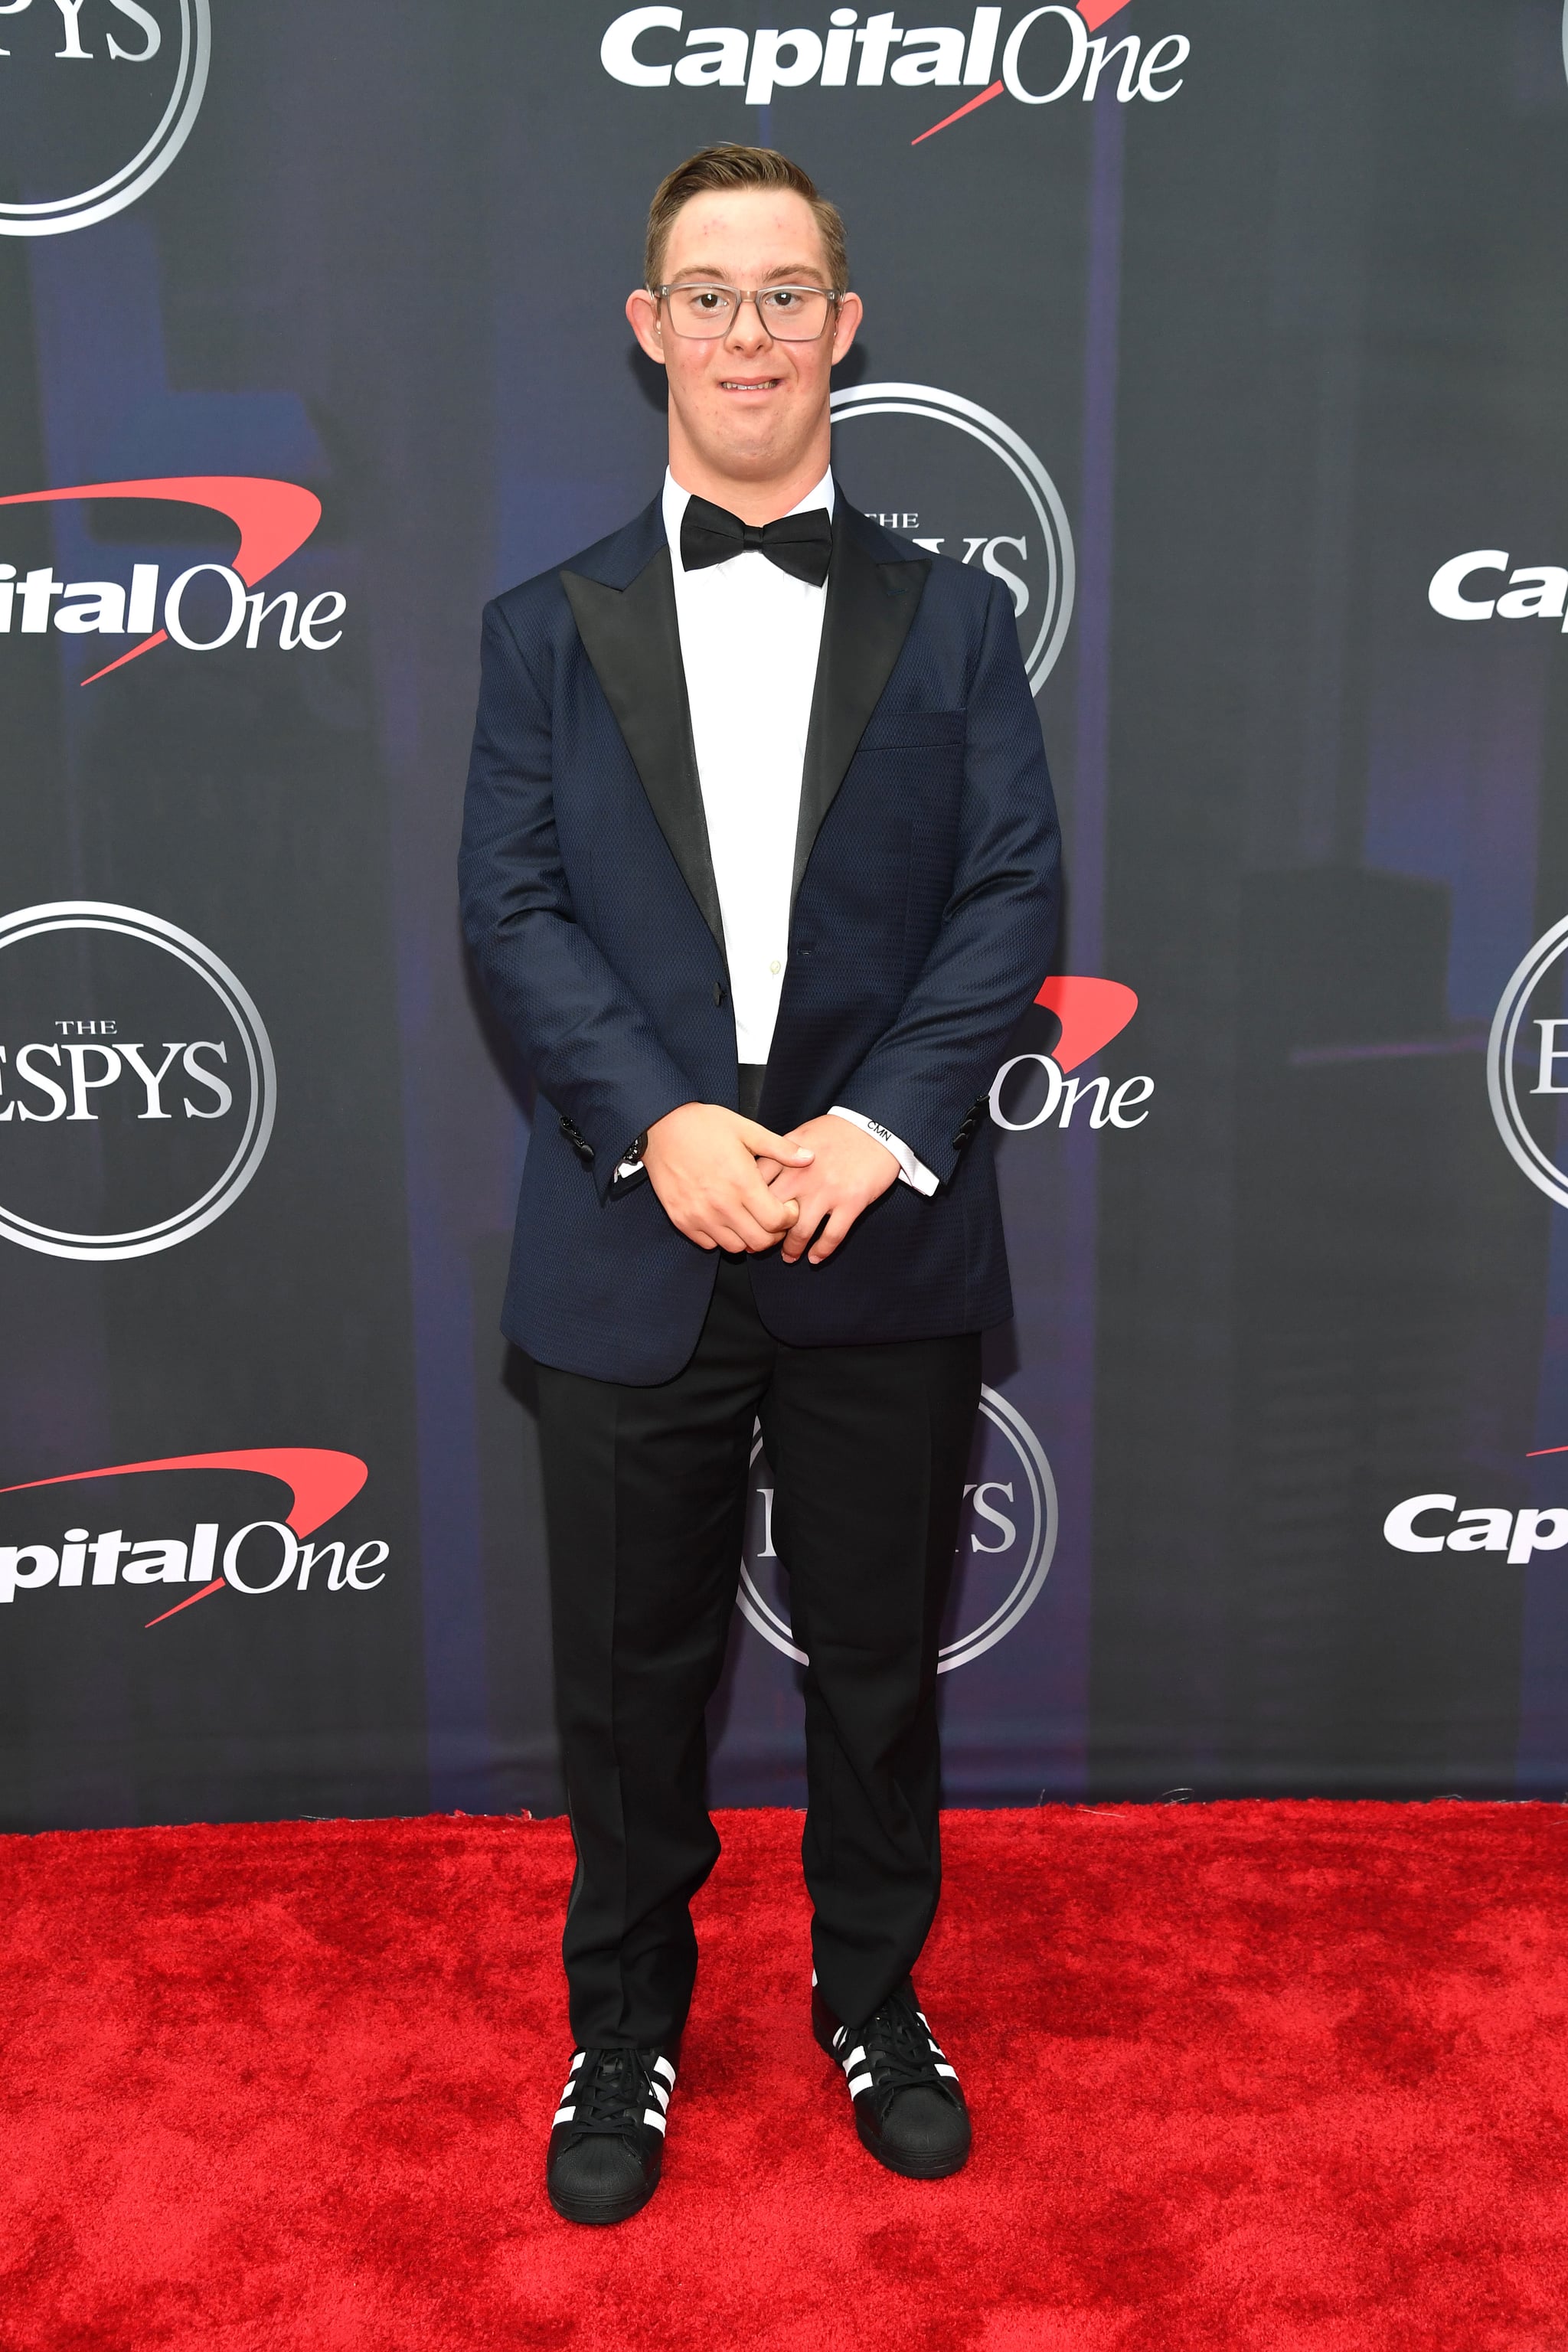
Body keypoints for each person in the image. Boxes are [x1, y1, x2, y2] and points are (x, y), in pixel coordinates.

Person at [459, 143, 1060, 2226]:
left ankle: (878, 2003)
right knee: (626, 1694)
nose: (745, 329)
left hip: (879, 1234)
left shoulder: (962, 619)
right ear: (649, 331)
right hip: (636, 1236)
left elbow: (1010, 902)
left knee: (883, 1666)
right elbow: (513, 912)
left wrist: (875, 1134)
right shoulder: (543, 633)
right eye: (705, 293)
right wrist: (668, 1127)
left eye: (783, 290)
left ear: (843, 322)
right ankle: (618, 2023)